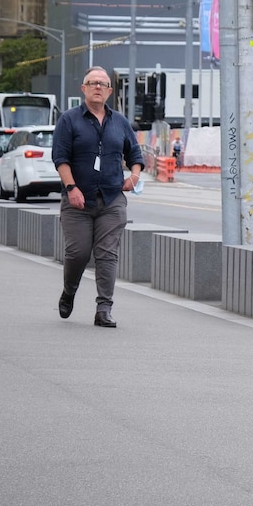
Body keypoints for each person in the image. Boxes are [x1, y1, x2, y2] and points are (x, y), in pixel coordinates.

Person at [53, 66, 145, 328]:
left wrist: (134, 177)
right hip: (78, 201)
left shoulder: (120, 122)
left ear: (109, 91)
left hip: (112, 200)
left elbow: (135, 156)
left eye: (102, 84)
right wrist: (72, 188)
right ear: (83, 89)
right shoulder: (69, 120)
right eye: (92, 83)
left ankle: (103, 308)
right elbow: (60, 158)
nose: (97, 87)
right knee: (78, 253)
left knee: (107, 254)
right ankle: (69, 291)